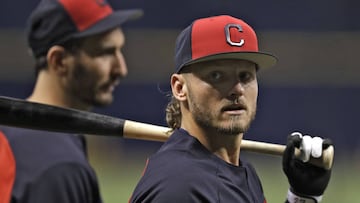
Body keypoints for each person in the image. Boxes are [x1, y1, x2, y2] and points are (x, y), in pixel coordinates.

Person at [129, 15, 333, 203]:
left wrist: (302, 197)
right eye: (216, 75)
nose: (237, 89)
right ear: (180, 88)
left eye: (245, 76)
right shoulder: (180, 188)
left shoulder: (238, 171)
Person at [0, 0, 142, 202]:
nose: (121, 69)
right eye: (105, 53)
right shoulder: (59, 165)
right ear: (59, 61)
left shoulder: (9, 133)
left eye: (120, 51)